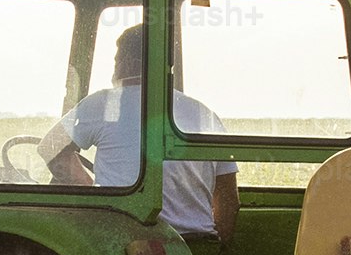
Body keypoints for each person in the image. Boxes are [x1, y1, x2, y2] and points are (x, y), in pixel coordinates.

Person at [40, 23, 238, 237]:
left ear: (129, 63)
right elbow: (228, 199)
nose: (114, 69)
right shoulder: (203, 113)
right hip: (196, 248)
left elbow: (50, 149)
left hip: (124, 242)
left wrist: (93, 193)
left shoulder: (105, 103)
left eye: (116, 60)